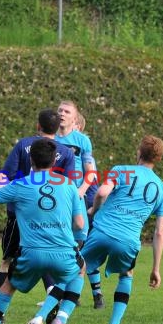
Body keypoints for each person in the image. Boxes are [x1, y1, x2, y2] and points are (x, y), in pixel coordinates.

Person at [0, 138, 85, 324]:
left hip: (31, 254)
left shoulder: (19, 184)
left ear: (30, 159)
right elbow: (80, 225)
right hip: (63, 252)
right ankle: (60, 319)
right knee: (80, 270)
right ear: (54, 161)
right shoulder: (69, 185)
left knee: (8, 286)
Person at [78, 135, 163, 324]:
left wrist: (94, 210)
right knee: (126, 274)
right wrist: (156, 269)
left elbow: (101, 193)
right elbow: (159, 232)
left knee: (77, 268)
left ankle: (52, 314)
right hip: (128, 241)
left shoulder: (122, 170)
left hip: (102, 231)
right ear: (159, 159)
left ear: (138, 152)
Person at [0, 109, 75, 300]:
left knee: (6, 261)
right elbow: (70, 184)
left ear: (38, 126)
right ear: (58, 128)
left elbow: (5, 175)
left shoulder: (23, 145)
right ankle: (52, 300)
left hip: (18, 215)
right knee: (46, 255)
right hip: (51, 217)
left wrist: (7, 193)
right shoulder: (65, 152)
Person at [55, 101, 105, 309]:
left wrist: (81, 191)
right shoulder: (49, 138)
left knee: (79, 247)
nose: (62, 114)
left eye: (67, 112)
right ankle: (63, 293)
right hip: (54, 200)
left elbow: (91, 172)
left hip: (76, 199)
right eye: (60, 110)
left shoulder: (82, 141)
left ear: (75, 120)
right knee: (59, 246)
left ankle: (95, 293)